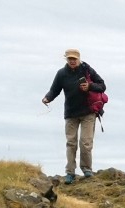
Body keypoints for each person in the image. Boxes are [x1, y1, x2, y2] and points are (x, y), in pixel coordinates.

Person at [41, 48, 106, 184]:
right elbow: (55, 90)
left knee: (85, 142)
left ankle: (87, 169)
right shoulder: (61, 74)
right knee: (71, 143)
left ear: (79, 59)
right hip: (70, 113)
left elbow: (102, 85)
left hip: (88, 112)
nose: (72, 61)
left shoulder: (87, 70)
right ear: (66, 59)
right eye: (69, 59)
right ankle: (70, 172)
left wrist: (89, 86)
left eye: (74, 59)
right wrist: (47, 98)